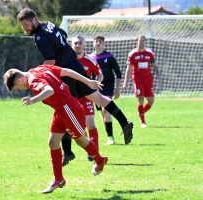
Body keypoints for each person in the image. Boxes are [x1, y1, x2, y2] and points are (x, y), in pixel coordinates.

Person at [17, 8, 133, 167]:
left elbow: (50, 61)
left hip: (66, 73)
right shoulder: (48, 25)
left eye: (26, 24)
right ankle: (124, 121)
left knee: (62, 108)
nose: (25, 28)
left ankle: (69, 152)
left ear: (34, 20)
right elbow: (63, 34)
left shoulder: (39, 37)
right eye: (22, 26)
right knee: (98, 98)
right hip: (75, 65)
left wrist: (39, 72)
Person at [3, 64, 109, 194]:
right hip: (60, 110)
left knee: (81, 140)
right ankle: (58, 179)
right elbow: (67, 71)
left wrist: (32, 100)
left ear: (18, 81)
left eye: (17, 88)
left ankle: (100, 160)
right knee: (53, 142)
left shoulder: (33, 80)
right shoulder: (40, 68)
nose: (20, 89)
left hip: (68, 108)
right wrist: (87, 81)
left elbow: (49, 91)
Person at [71, 35, 103, 161]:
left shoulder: (90, 60)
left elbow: (99, 75)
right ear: (72, 45)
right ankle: (90, 147)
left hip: (87, 96)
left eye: (80, 43)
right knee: (78, 128)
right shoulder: (67, 61)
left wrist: (96, 85)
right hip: (72, 97)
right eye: (75, 43)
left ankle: (95, 153)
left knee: (90, 123)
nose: (77, 45)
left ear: (84, 45)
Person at [90, 35, 122, 145]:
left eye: (100, 41)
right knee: (103, 113)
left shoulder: (109, 56)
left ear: (103, 44)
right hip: (96, 87)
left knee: (105, 110)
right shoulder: (90, 58)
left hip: (108, 85)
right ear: (93, 43)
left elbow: (118, 73)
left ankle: (111, 137)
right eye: (96, 41)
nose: (98, 43)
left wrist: (118, 89)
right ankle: (109, 136)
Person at [123, 35, 162, 128]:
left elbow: (154, 65)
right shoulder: (132, 54)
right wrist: (125, 82)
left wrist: (158, 74)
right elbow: (129, 68)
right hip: (137, 80)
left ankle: (141, 112)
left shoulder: (149, 52)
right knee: (141, 99)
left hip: (148, 79)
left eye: (143, 41)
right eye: (140, 40)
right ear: (137, 42)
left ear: (145, 42)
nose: (142, 42)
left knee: (151, 101)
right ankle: (143, 122)